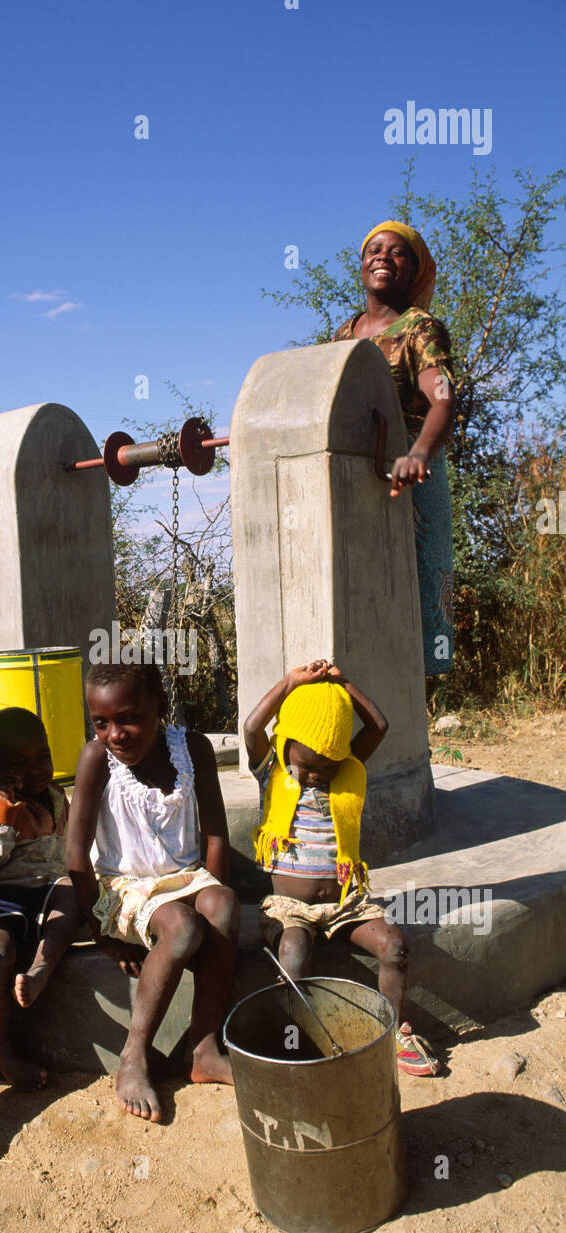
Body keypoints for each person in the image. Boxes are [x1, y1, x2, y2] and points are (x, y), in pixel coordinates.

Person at [243, 659, 439, 1076]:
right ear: (287, 742)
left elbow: (379, 726)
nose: (316, 775)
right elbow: (251, 728)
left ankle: (391, 1033)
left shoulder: (347, 771)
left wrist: (343, 684)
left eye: (326, 767)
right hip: (289, 908)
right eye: (309, 764)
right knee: (293, 953)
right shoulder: (274, 772)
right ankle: (295, 1042)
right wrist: (292, 682)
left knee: (395, 947)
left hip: (348, 904)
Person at [66, 662, 240, 1123]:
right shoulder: (95, 760)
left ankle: (203, 1047)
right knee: (181, 929)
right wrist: (100, 932)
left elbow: (216, 835)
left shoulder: (193, 749)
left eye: (129, 718)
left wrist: (213, 901)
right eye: (101, 722)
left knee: (223, 905)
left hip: (184, 877)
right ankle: (134, 1055)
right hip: (126, 885)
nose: (115, 734)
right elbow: (76, 855)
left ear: (159, 708)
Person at [333, 220, 455, 675]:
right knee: (359, 590)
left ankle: (413, 722)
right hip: (355, 474)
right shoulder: (343, 334)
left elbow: (442, 398)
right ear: (362, 264)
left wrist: (419, 451)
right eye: (374, 249)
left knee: (417, 591)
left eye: (398, 252)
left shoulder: (420, 328)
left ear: (413, 271)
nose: (383, 256)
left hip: (410, 475)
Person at [0, 706, 80, 1090]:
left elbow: (63, 850)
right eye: (20, 764)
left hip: (45, 890)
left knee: (70, 894)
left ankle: (40, 970)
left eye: (43, 757)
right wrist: (4, 820)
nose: (35, 770)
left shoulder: (55, 795)